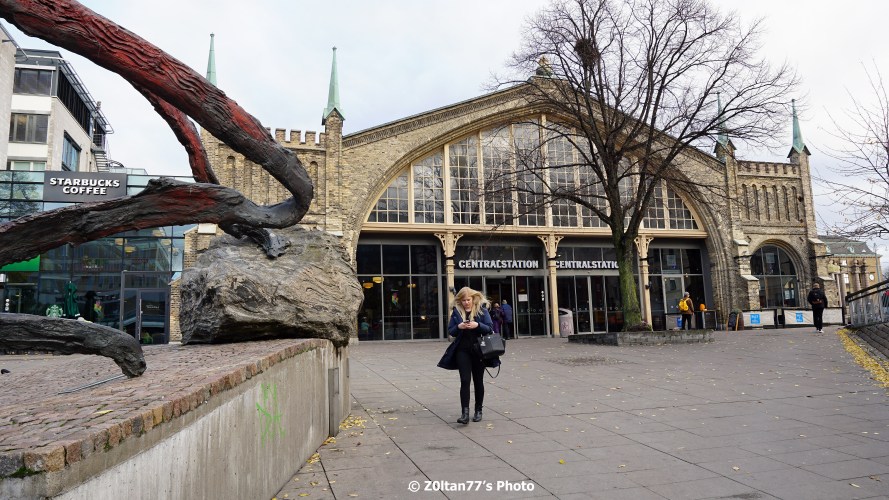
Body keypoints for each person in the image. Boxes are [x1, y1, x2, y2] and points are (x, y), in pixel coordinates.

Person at [445, 287, 494, 424]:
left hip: (479, 351)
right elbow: (451, 331)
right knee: (465, 381)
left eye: (468, 300)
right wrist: (459, 327)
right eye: (463, 300)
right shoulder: (457, 312)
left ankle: (478, 410)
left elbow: (490, 328)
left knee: (478, 381)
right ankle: (464, 413)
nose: (466, 302)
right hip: (462, 351)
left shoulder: (481, 311)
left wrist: (477, 325)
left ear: (473, 298)